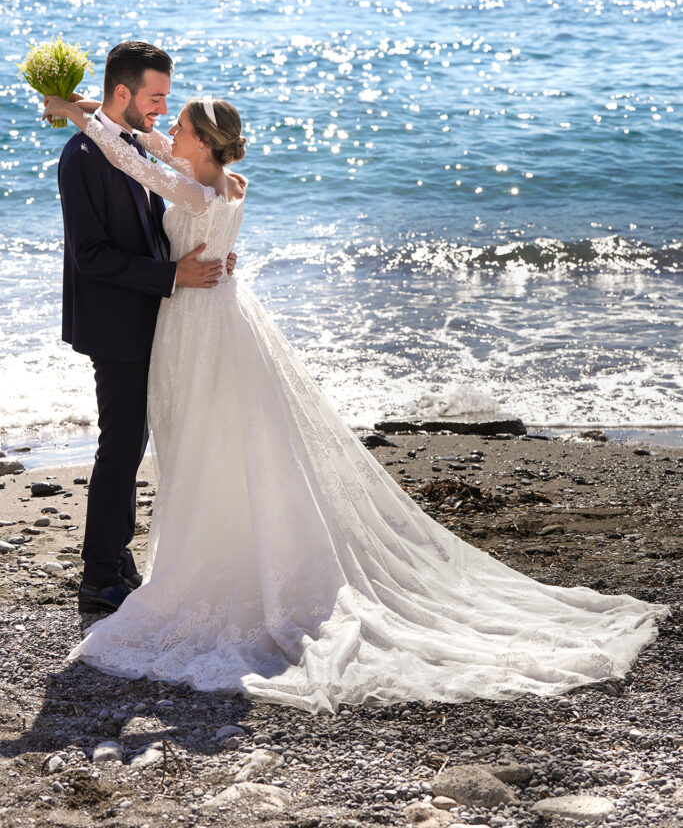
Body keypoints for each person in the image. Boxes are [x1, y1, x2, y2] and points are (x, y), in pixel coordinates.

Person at [45, 92, 668, 714]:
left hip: (198, 323)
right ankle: (224, 548)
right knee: (219, 435)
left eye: (178, 125)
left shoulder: (195, 192)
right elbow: (149, 150)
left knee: (203, 437)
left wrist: (83, 120)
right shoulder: (230, 182)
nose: (167, 130)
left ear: (203, 143)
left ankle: (214, 563)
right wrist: (97, 112)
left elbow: (136, 167)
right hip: (221, 313)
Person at [56, 41, 240, 616]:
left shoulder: (134, 148)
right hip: (117, 321)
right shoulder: (85, 158)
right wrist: (173, 272)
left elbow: (141, 157)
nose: (162, 111)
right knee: (120, 448)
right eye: (156, 97)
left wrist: (78, 108)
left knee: (134, 444)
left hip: (161, 316)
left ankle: (119, 558)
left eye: (169, 104)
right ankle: (98, 575)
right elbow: (91, 255)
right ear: (123, 93)